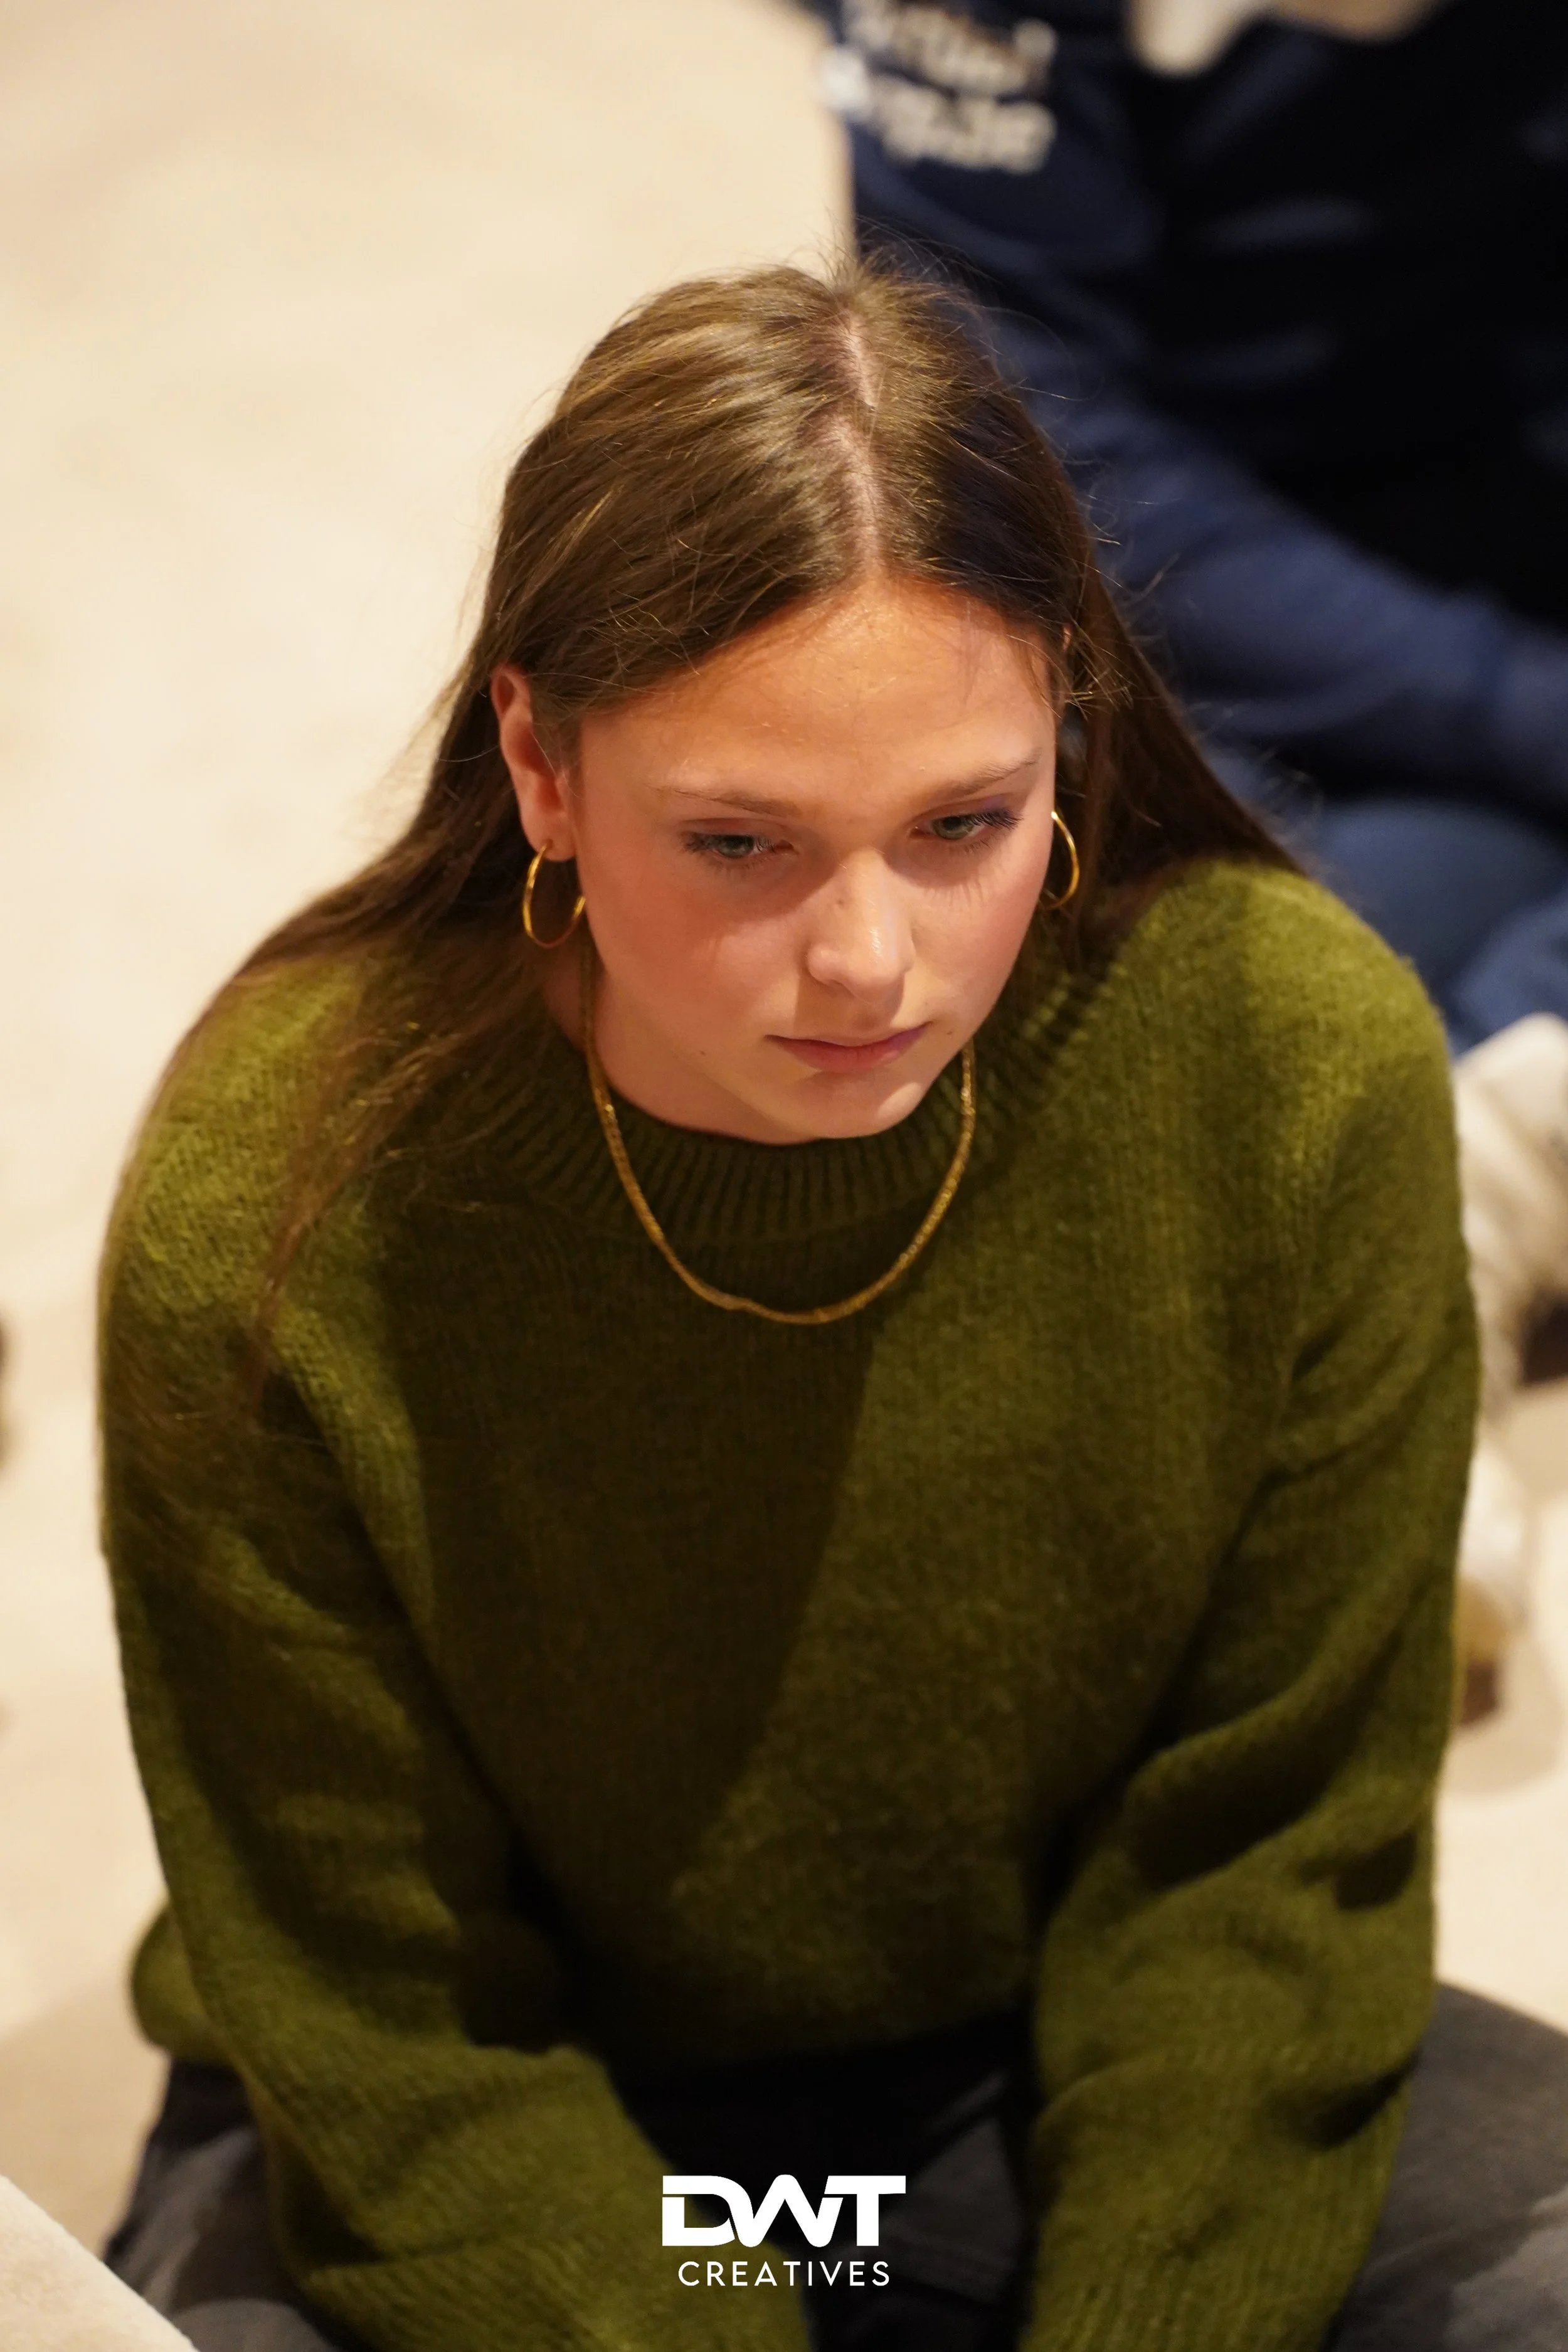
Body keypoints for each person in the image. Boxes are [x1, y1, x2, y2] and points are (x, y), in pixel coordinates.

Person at [91, 259, 1568, 2352]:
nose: (871, 960)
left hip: (1043, 2062)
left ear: (1066, 706)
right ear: (535, 755)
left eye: (960, 822)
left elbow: (1261, 1857)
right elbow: (380, 2011)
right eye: (739, 840)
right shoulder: (279, 1200)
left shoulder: (1288, 1065)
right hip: (492, 2111)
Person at [815, 0, 1568, 1697]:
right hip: (1164, 591)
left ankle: (1456, 1185)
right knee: (1079, 926)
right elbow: (1022, 432)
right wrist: (1519, 707)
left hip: (1516, 495)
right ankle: (1370, 1214)